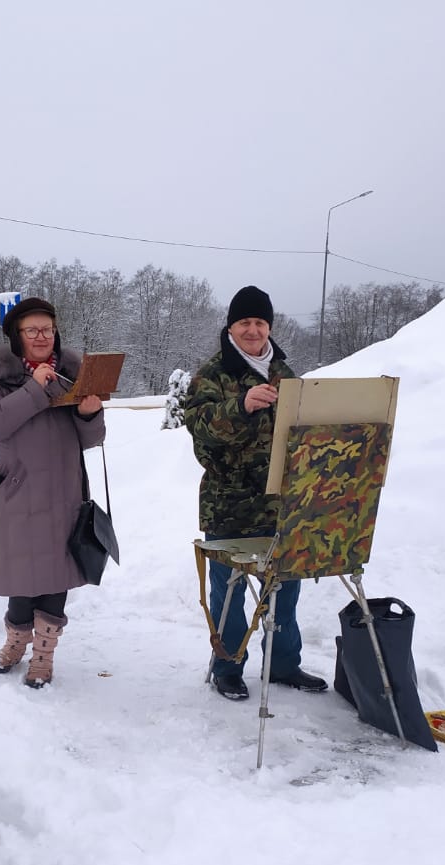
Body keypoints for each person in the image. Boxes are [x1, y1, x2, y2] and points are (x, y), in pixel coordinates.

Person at [183, 285, 328, 701]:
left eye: (260, 322)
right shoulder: (213, 375)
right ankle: (227, 667)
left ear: (269, 326)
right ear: (231, 325)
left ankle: (283, 663)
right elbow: (202, 433)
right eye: (245, 322)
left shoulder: (286, 373)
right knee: (227, 590)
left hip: (280, 503)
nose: (253, 330)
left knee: (285, 586)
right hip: (229, 502)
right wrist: (241, 406)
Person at [0, 296, 106, 688]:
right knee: (21, 574)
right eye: (32, 330)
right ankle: (15, 645)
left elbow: (93, 439)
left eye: (47, 329)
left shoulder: (72, 373)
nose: (42, 336)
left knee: (54, 575)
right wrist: (34, 388)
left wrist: (88, 414)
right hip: (17, 490)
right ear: (17, 336)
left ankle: (43, 657)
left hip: (63, 491)